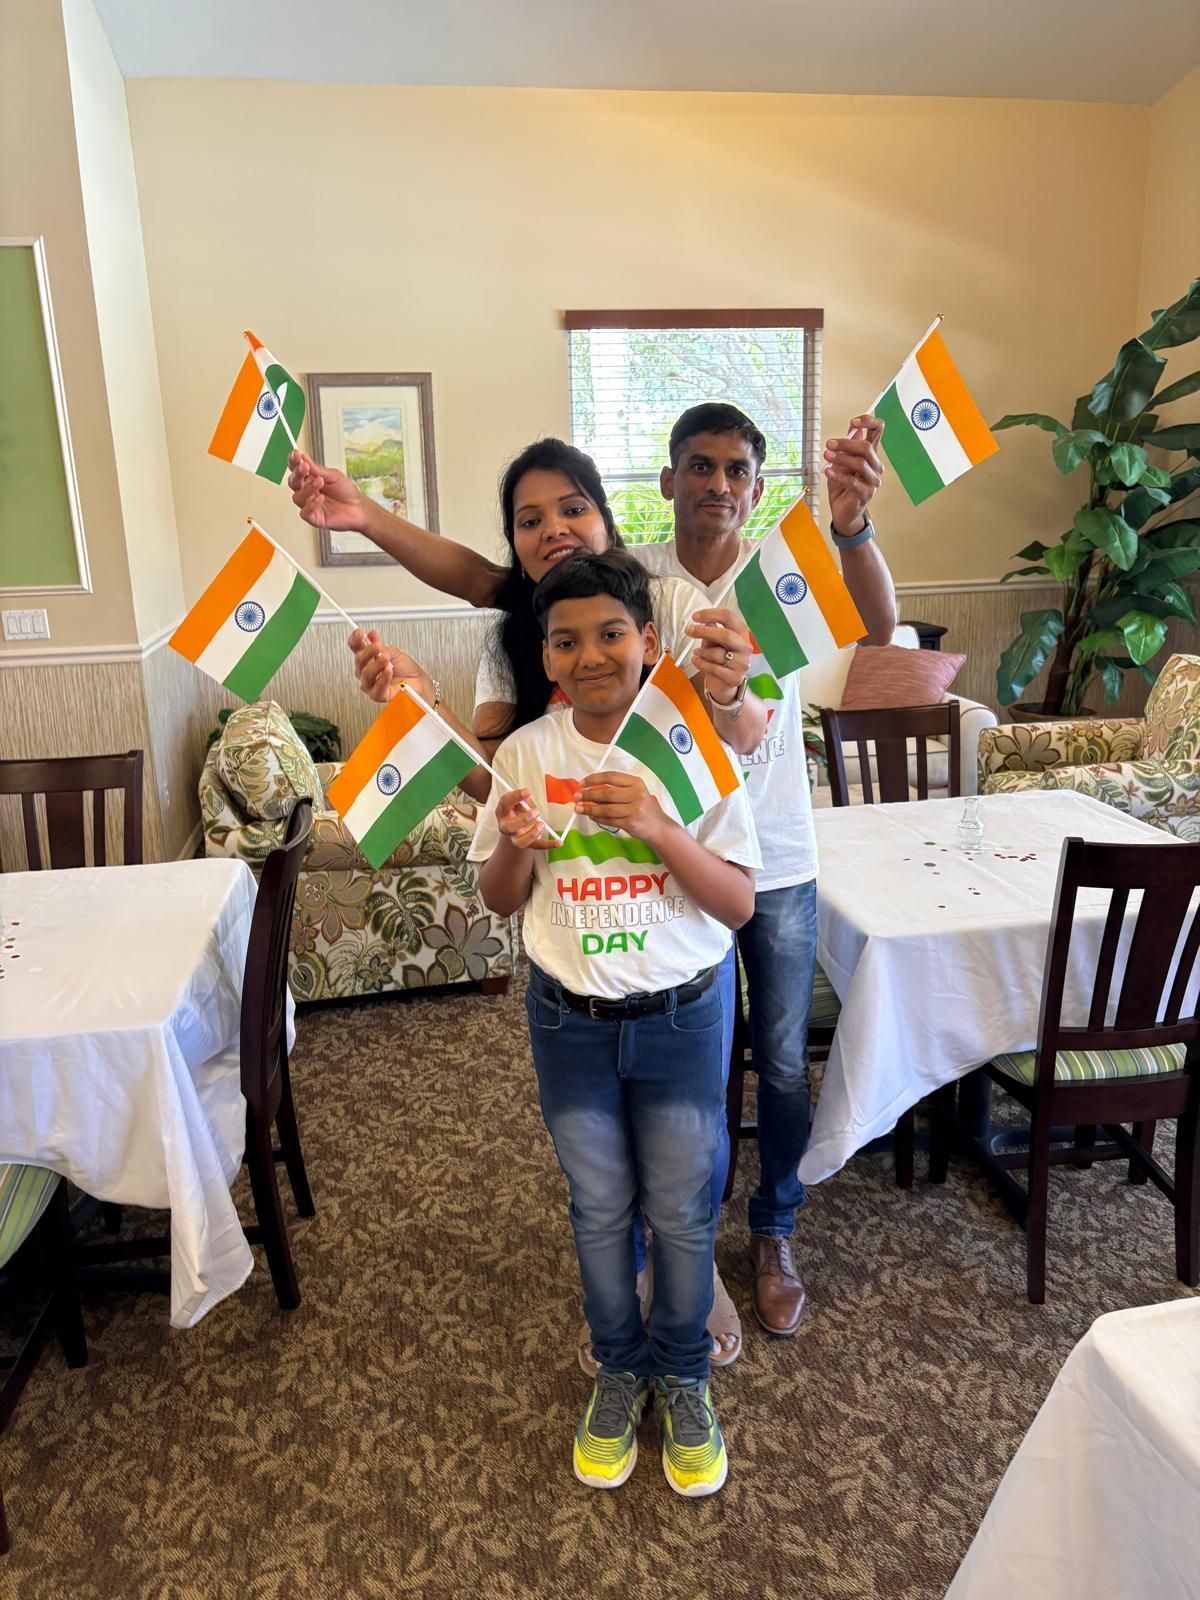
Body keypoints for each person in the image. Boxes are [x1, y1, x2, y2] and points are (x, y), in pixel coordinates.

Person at [289, 437, 755, 1364]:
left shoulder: (665, 595)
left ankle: (689, 1280)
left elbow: (738, 731)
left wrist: (731, 698)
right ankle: (621, 1290)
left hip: (699, 902)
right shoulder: (518, 641)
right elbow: (494, 782)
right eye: (528, 521)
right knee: (601, 1180)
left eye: (572, 507)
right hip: (574, 964)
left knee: (690, 1152)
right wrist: (415, 710)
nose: (554, 531)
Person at [469, 548, 761, 1496]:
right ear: (546, 660)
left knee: (679, 1209)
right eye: (566, 641)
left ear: (647, 641)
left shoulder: (690, 744)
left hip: (682, 1019)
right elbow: (502, 896)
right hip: (570, 1022)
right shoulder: (525, 755)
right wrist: (515, 846)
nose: (591, 655)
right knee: (598, 1205)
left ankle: (681, 1371)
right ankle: (618, 1359)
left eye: (610, 634)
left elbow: (740, 905)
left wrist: (659, 828)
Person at [632, 403, 896, 1338]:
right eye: (698, 466)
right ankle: (683, 1233)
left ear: (755, 485)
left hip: (778, 856)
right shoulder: (632, 580)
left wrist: (854, 522)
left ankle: (775, 1227)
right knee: (689, 1071)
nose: (717, 485)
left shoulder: (783, 576)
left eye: (737, 470)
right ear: (668, 480)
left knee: (782, 1065)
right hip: (679, 860)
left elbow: (880, 619)